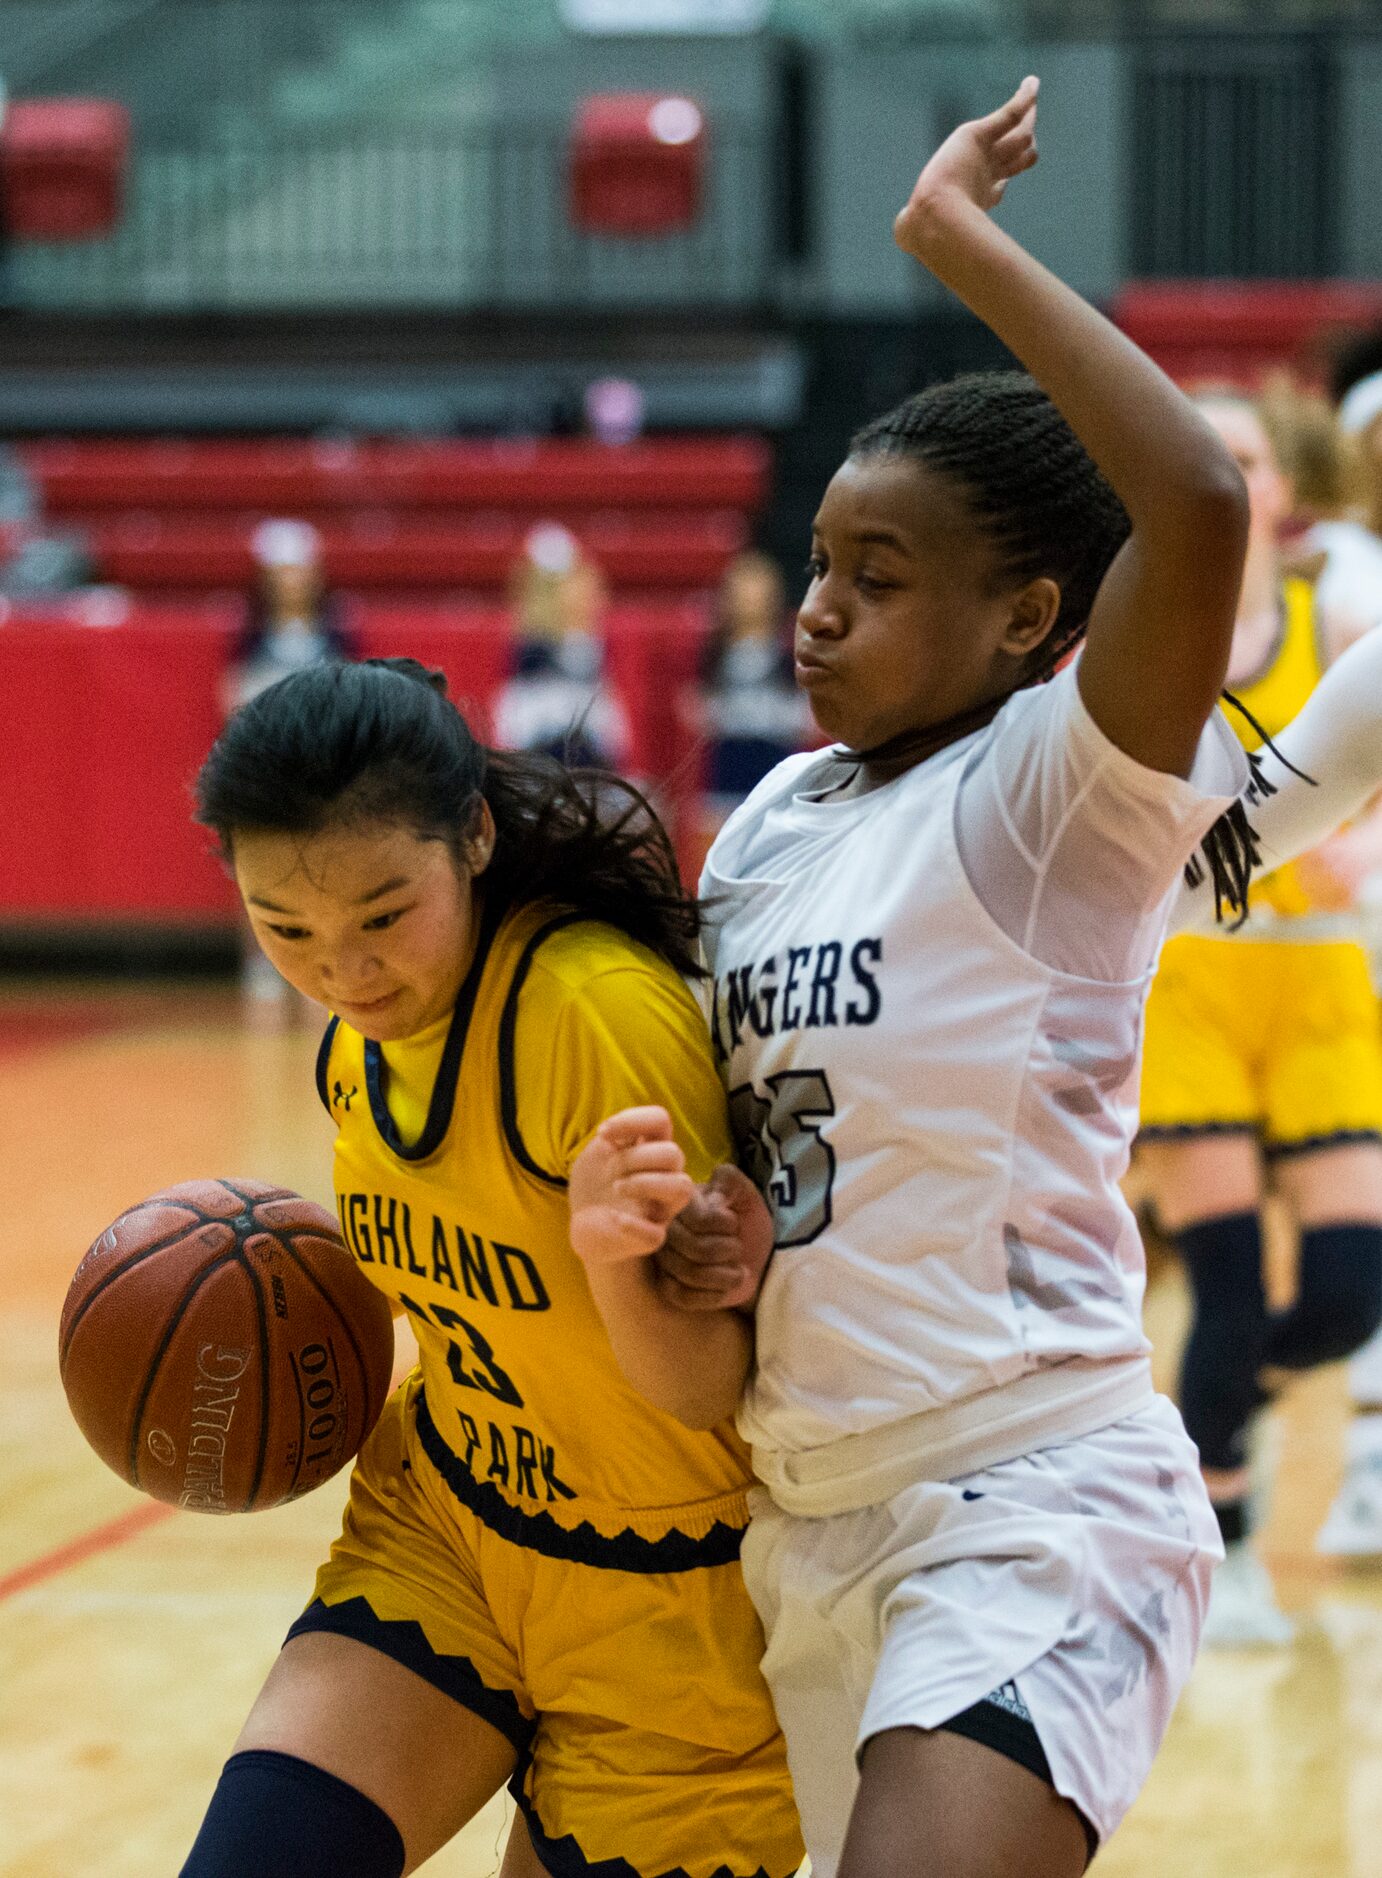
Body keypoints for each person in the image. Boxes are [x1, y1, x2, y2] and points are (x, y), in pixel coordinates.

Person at [571, 77, 1257, 1878]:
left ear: (1030, 617)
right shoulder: (781, 812)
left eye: (874, 579)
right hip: (800, 1507)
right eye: (815, 565)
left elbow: (1186, 502)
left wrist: (956, 239)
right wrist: (718, 1232)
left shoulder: (1050, 791)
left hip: (1031, 1492)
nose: (813, 609)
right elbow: (781, 1150)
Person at [180, 658, 802, 1878]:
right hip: (453, 1532)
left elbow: (704, 1392)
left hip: (676, 1612)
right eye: (284, 929)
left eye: (380, 915)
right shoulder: (359, 1050)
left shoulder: (586, 1017)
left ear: (471, 836)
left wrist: (615, 1267)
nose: (342, 972)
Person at [1135, 394, 1382, 1643]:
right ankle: (1213, 1542)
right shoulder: (1134, 624)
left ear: (1283, 488)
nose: (1220, 475)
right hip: (1193, 978)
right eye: (1200, 454)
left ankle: (1196, 1430)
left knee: (1348, 1290)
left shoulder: (1332, 617)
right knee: (1225, 1283)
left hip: (1317, 974)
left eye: (1240, 457)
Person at [688, 549, 815, 867]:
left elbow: (807, 717)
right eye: (742, 592)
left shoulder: (790, 653)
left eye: (757, 592)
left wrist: (760, 714)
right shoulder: (713, 655)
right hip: (725, 780)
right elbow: (695, 707)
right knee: (722, 867)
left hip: (776, 780)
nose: (750, 601)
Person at [491, 523, 632, 772]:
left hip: (587, 749)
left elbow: (602, 697)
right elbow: (517, 702)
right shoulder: (530, 647)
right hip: (542, 747)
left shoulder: (593, 642)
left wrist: (611, 735)